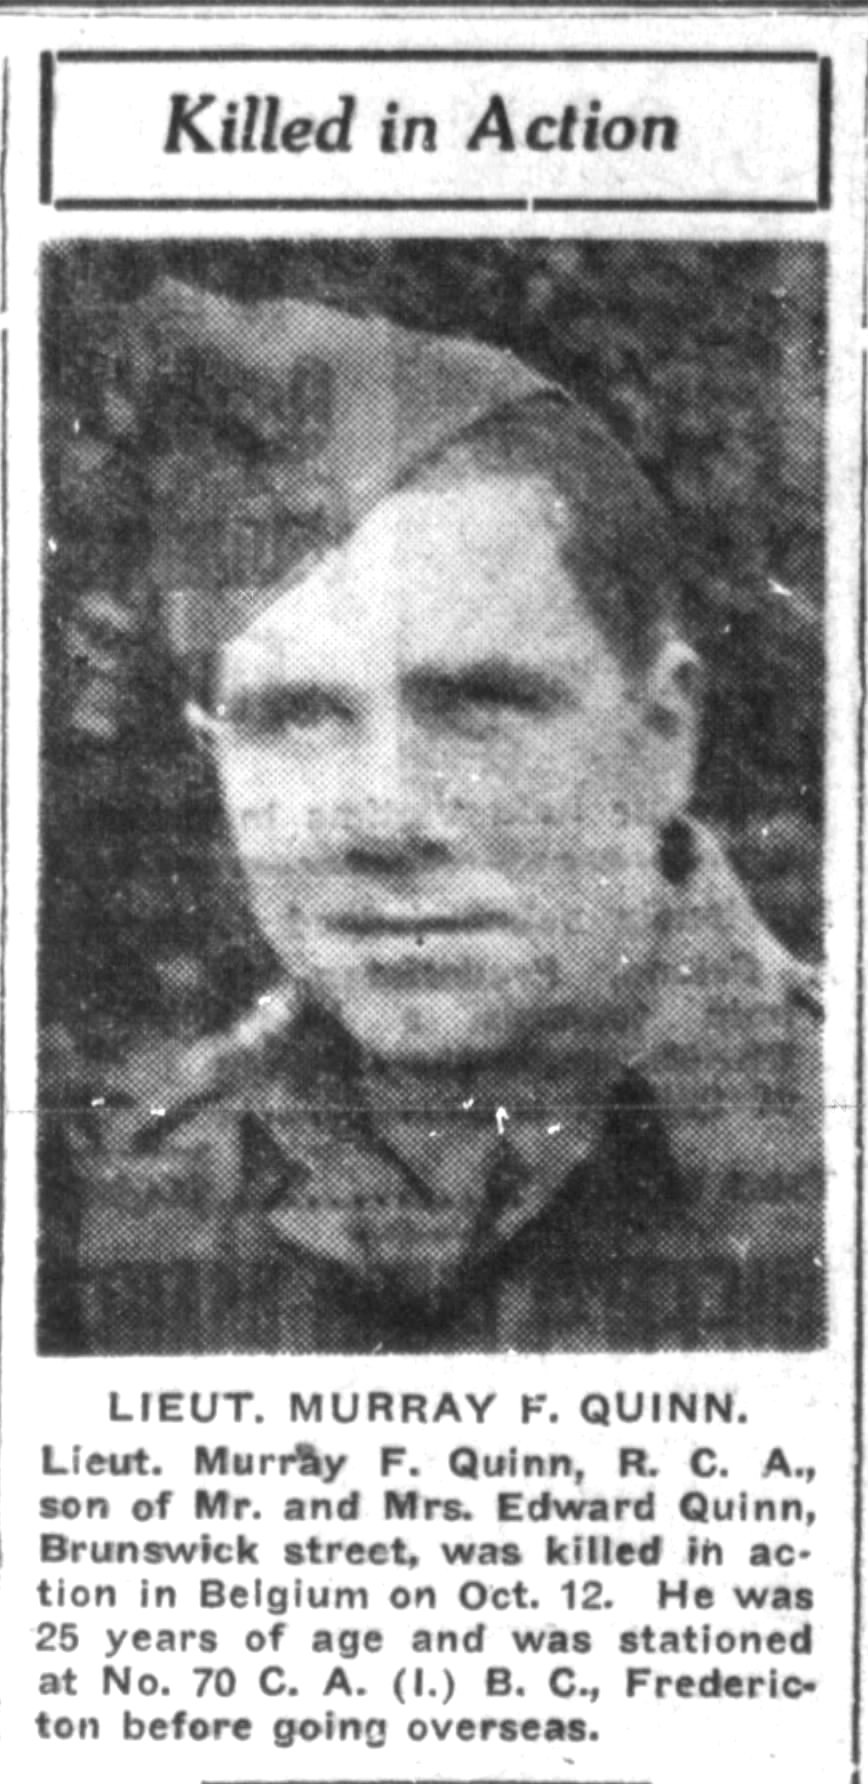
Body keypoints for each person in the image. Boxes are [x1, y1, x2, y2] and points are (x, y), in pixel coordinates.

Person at [39, 277, 823, 1354]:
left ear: (662, 735)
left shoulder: (831, 1144)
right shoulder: (155, 1189)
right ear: (215, 756)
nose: (385, 816)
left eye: (479, 706)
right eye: (294, 718)